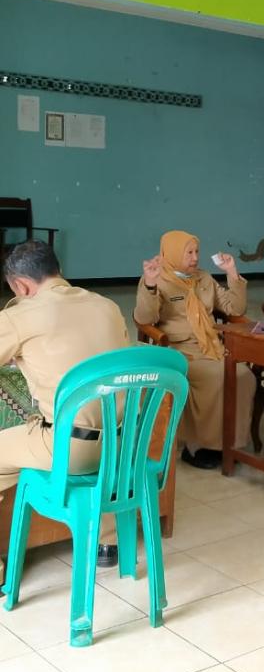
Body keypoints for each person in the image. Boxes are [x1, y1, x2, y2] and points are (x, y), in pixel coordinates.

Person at [0, 241, 130, 570]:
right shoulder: (107, 306)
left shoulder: (19, 316)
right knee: (96, 411)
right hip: (122, 446)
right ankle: (107, 542)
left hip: (71, 450)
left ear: (21, 286)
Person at [134, 230, 255, 471]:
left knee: (244, 376)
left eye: (197, 251)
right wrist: (149, 285)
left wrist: (232, 272)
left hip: (212, 346)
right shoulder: (158, 278)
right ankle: (198, 446)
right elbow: (145, 318)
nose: (195, 258)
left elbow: (234, 308)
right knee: (216, 378)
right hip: (179, 350)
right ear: (172, 253)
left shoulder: (204, 279)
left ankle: (229, 443)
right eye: (188, 252)